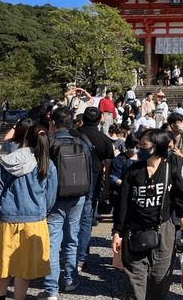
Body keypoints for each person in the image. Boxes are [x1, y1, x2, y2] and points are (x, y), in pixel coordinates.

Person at [112, 129, 183, 300]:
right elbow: (123, 204)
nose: (139, 149)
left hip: (163, 230)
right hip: (134, 230)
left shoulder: (170, 170)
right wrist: (117, 232)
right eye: (139, 145)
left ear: (157, 147)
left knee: (159, 279)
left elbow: (181, 202)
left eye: (144, 146)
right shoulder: (132, 171)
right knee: (135, 279)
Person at [0, 124, 57, 300]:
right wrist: (42, 212)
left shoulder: (7, 161)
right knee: (24, 268)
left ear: (25, 139)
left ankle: (0, 296)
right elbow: (50, 196)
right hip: (33, 220)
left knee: (2, 263)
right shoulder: (46, 163)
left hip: (4, 219)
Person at [40, 106, 92, 300]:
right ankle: (70, 280)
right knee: (72, 240)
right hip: (78, 195)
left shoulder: (49, 142)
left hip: (55, 198)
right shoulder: (81, 143)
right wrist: (88, 198)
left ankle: (51, 289)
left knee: (53, 243)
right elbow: (89, 173)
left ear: (53, 122)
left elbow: (43, 173)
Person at [71, 106, 115, 271]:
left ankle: (67, 253)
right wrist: (107, 188)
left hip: (70, 181)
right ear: (100, 119)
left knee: (68, 220)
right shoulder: (104, 139)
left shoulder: (72, 133)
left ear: (82, 119)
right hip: (92, 182)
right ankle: (81, 258)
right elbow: (108, 164)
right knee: (85, 221)